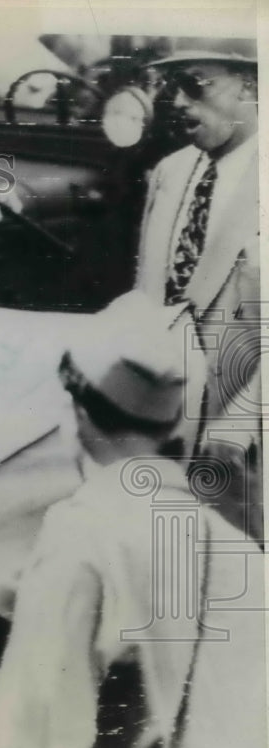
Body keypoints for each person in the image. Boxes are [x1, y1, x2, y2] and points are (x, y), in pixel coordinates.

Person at [0, 291, 266, 748]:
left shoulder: (82, 533)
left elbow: (33, 735)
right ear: (170, 423)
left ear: (78, 411)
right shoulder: (238, 546)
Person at [135, 49, 260, 538]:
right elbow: (148, 300)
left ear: (250, 86)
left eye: (195, 85)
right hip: (160, 444)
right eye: (171, 89)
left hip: (243, 453)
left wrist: (239, 428)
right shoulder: (170, 172)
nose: (178, 103)